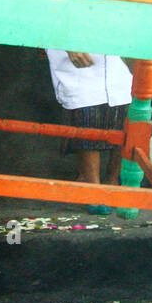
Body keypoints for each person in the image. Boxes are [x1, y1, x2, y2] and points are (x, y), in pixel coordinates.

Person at [46, 49, 132, 206]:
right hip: (75, 63)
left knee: (123, 114)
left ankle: (113, 181)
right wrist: (69, 45)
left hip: (114, 63)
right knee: (86, 114)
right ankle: (94, 190)